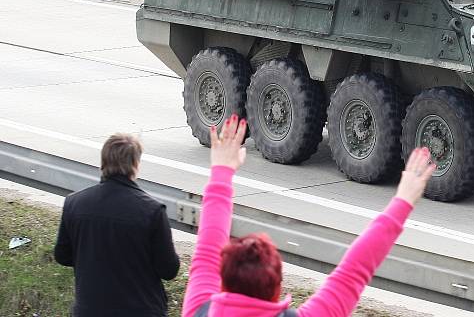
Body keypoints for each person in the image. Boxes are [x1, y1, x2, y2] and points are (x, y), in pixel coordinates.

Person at [182, 114, 436, 317]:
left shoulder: (199, 309)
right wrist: (402, 201)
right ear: (277, 289)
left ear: (222, 281)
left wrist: (221, 172)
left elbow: (208, 246)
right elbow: (352, 271)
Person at [54, 133, 180, 317]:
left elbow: (62, 256)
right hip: (141, 310)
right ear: (135, 165)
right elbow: (169, 269)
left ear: (103, 163)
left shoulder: (74, 203)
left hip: (89, 310)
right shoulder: (152, 211)